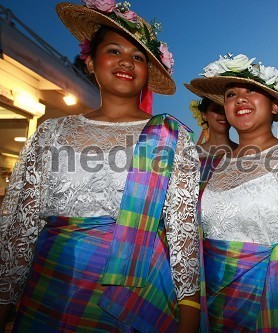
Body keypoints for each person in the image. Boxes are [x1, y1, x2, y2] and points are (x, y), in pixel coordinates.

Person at [0, 1, 202, 332]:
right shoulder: (52, 132)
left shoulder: (171, 137)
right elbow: (21, 229)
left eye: (138, 57)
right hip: (52, 284)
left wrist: (189, 315)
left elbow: (183, 232)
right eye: (114, 50)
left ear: (148, 72)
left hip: (136, 290)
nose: (127, 62)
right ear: (91, 62)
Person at [187, 53, 278, 332]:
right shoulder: (216, 166)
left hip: (274, 296)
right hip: (215, 302)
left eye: (252, 91)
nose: (240, 99)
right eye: (231, 94)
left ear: (275, 106)